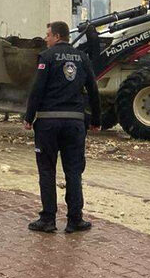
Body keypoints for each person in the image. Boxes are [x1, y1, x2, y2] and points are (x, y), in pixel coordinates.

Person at [23, 20, 101, 234]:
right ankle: (75, 220)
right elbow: (93, 90)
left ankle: (48, 219)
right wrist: (96, 120)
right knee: (74, 172)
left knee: (47, 170)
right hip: (75, 123)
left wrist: (29, 117)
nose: (46, 38)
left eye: (48, 35)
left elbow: (37, 89)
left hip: (48, 123)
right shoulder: (82, 58)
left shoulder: (46, 58)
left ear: (57, 36)